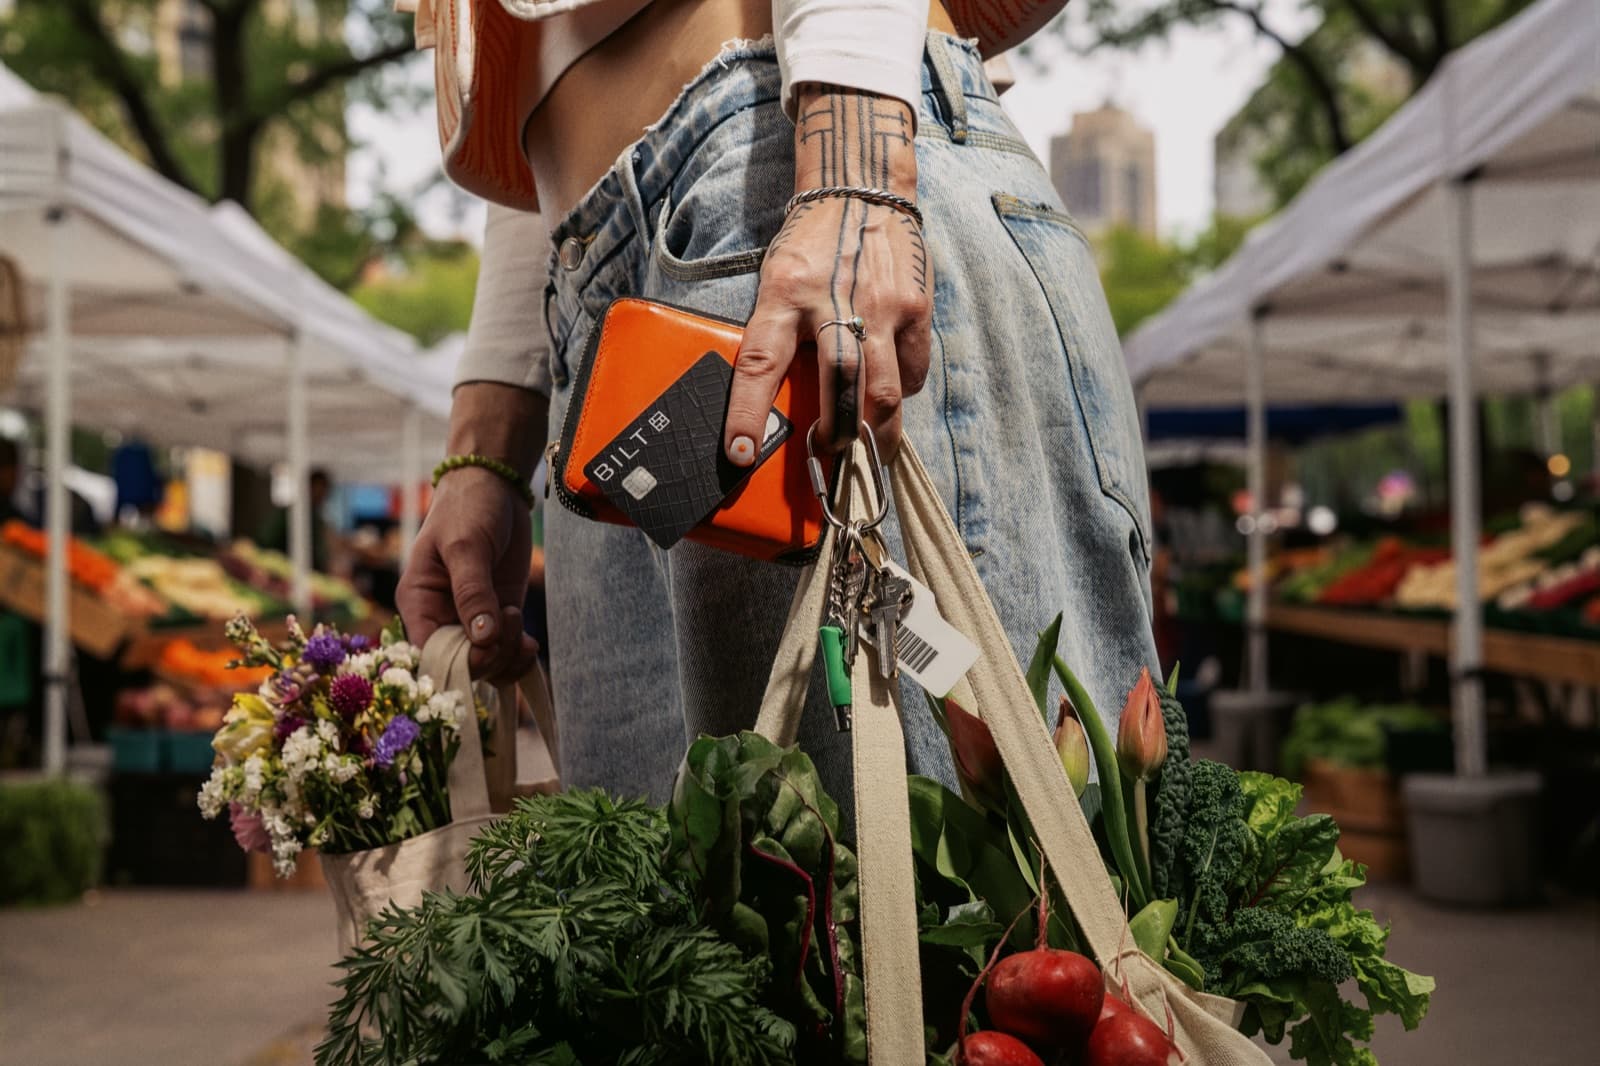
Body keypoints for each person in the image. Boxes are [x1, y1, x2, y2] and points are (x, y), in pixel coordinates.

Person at [396, 0, 1158, 809]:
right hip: (609, 315)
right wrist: (486, 443)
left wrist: (853, 160)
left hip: (793, 177)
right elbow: (520, 52)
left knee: (975, 912)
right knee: (672, 921)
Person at [258, 468, 334, 573]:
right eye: (319, 489)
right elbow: (265, 540)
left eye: (325, 491)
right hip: (282, 571)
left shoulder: (316, 518)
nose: (322, 496)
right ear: (308, 487)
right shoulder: (289, 513)